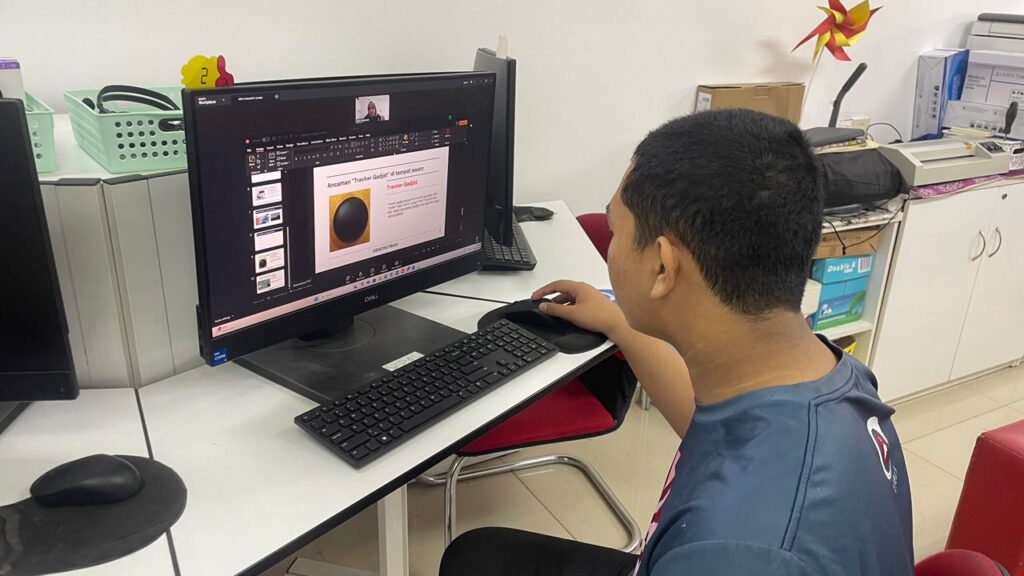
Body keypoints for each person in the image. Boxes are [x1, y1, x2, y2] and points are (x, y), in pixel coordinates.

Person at [439, 109, 913, 576]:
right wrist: (619, 324)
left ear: (663, 267)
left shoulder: (735, 551)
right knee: (478, 555)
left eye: (616, 231)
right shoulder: (831, 378)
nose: (610, 247)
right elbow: (724, 430)